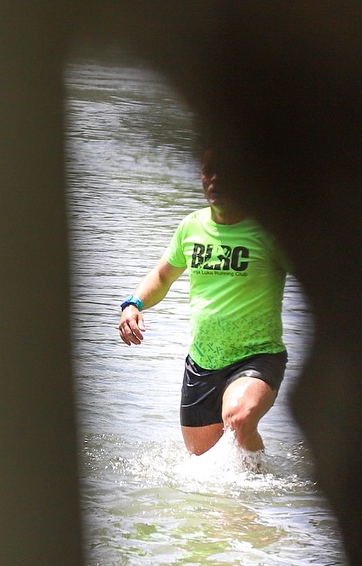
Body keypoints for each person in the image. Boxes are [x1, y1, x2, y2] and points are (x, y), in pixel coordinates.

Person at [117, 151, 289, 455]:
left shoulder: (271, 231)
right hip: (203, 363)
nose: (215, 180)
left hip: (258, 355)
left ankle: (265, 483)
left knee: (239, 417)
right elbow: (162, 276)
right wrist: (133, 304)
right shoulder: (191, 227)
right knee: (202, 468)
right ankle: (247, 501)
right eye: (209, 172)